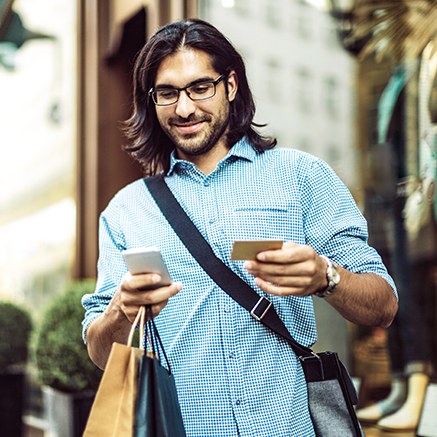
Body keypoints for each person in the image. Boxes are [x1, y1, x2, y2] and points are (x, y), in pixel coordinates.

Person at [82, 18, 398, 436]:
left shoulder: (301, 177)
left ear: (230, 85)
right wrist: (122, 310)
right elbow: (102, 353)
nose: (184, 108)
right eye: (167, 93)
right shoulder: (126, 210)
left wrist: (327, 278)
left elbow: (384, 305)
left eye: (200, 87)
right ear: (151, 100)